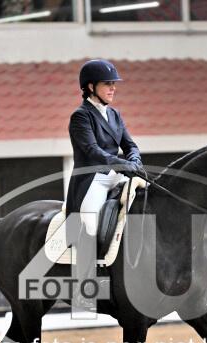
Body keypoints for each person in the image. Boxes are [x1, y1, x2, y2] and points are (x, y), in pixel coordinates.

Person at [65, 59, 144, 311]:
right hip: (94, 178)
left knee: (146, 204)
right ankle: (86, 286)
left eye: (114, 84)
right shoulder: (81, 116)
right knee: (89, 220)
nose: (113, 88)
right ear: (90, 87)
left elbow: (130, 145)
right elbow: (93, 151)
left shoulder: (114, 114)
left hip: (118, 174)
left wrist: (134, 160)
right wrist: (123, 164)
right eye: (107, 84)